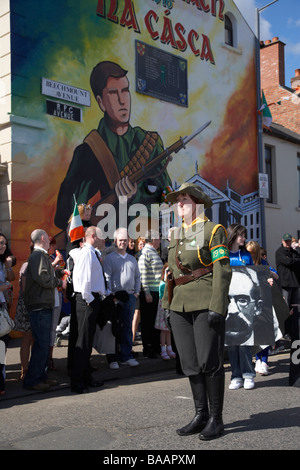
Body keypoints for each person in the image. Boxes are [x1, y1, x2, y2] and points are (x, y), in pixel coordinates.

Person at [54, 60, 171, 231]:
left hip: (145, 237)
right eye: (113, 93)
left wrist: (138, 194)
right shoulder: (89, 151)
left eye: (125, 91)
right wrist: (114, 197)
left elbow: (167, 197)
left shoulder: (149, 142)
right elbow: (64, 215)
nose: (122, 100)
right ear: (101, 102)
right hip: (108, 241)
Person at [162, 183, 232, 441]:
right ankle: (200, 414)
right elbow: (171, 274)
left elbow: (222, 270)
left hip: (205, 301)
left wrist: (218, 305)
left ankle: (216, 418)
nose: (179, 204)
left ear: (197, 203)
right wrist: (167, 306)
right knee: (190, 363)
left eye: (184, 199)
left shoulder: (214, 230)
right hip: (179, 304)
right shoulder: (175, 234)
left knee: (209, 361)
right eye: (177, 200)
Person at [23, 229, 66, 391]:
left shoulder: (39, 255)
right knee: (41, 344)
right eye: (47, 238)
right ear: (42, 238)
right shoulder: (39, 255)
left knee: (42, 344)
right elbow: (43, 278)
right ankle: (33, 380)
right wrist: (59, 282)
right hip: (40, 306)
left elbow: (44, 275)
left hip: (41, 305)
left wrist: (59, 273)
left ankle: (40, 377)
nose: (49, 241)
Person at [71, 226, 106, 393]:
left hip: (90, 299)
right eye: (101, 236)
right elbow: (83, 279)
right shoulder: (86, 253)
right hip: (87, 300)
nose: (104, 239)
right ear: (93, 236)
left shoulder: (91, 253)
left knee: (87, 341)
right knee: (83, 342)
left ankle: (86, 377)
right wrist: (90, 300)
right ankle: (77, 381)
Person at [103, 228, 141, 367]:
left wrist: (136, 293)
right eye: (120, 240)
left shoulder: (132, 259)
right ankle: (113, 358)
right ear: (115, 241)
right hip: (115, 298)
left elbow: (138, 277)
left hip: (130, 297)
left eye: (125, 240)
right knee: (114, 329)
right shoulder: (110, 259)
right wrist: (110, 295)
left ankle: (126, 355)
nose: (123, 243)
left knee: (127, 328)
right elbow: (106, 278)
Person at [226, 224, 256, 391]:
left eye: (244, 235)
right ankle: (235, 375)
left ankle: (248, 374)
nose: (244, 238)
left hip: (244, 303)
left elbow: (254, 274)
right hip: (229, 303)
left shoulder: (246, 255)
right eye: (241, 235)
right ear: (233, 235)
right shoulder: (224, 255)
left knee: (245, 340)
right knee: (231, 342)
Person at [275, 233, 300, 387]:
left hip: (296, 285)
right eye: (286, 241)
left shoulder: (294, 252)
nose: (288, 243)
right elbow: (290, 262)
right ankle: (284, 333)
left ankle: (292, 331)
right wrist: (294, 260)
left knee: (295, 312)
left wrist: (295, 258)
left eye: (290, 241)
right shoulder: (279, 252)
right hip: (285, 285)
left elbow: (295, 261)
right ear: (282, 241)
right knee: (285, 312)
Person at [138, 230, 163, 359]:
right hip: (150, 293)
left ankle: (155, 346)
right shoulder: (146, 252)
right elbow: (142, 274)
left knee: (155, 321)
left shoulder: (154, 252)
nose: (160, 240)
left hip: (156, 292)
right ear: (153, 239)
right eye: (159, 238)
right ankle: (148, 348)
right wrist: (146, 292)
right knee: (148, 322)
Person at [13, 244, 34, 381]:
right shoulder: (27, 266)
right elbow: (26, 290)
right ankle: (24, 369)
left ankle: (30, 368)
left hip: (32, 305)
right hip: (28, 305)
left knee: (33, 339)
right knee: (27, 338)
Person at [0, 233, 15, 395]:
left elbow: (12, 277)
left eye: (4, 243)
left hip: (2, 307)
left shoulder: (2, 262)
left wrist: (8, 265)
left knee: (3, 343)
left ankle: (1, 381)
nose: (2, 246)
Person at [154, 262, 176, 360]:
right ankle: (163, 349)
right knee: (164, 330)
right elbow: (163, 296)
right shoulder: (163, 284)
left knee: (168, 330)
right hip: (163, 307)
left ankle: (169, 348)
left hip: (169, 307)